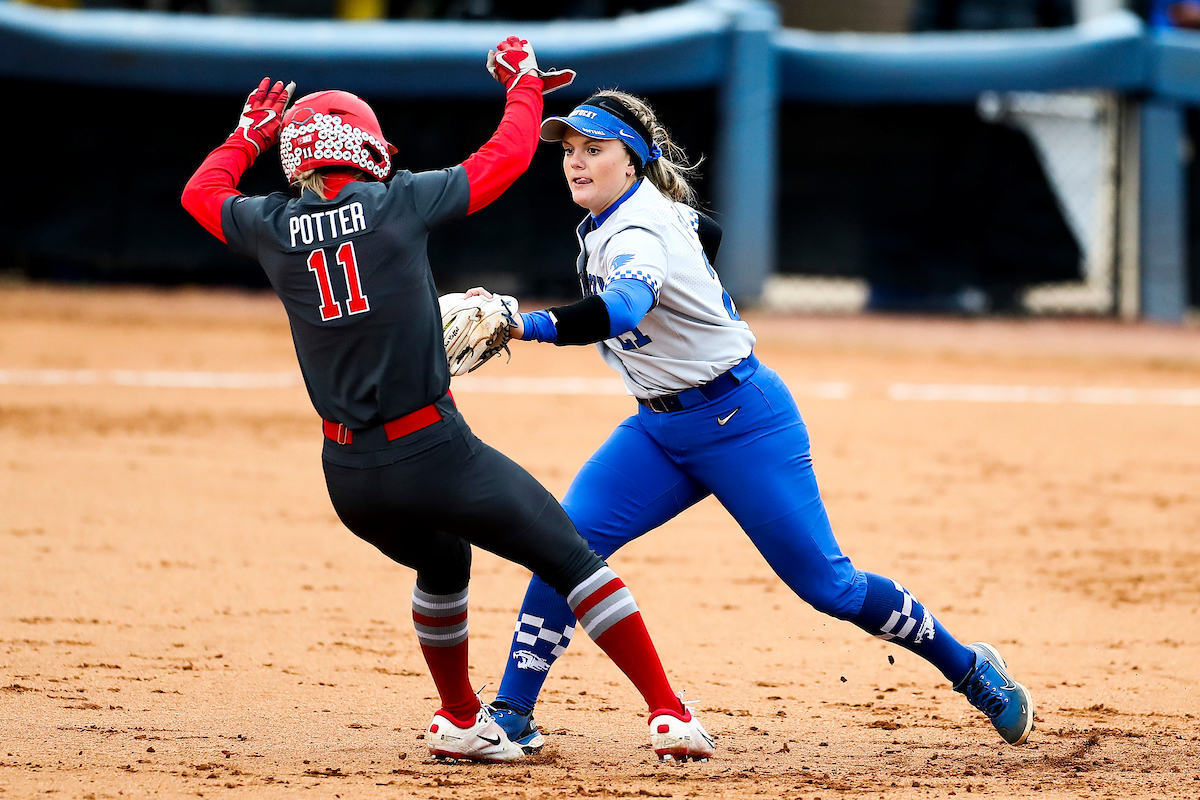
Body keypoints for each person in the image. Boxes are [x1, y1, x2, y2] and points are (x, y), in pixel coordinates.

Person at [179, 41, 713, 764]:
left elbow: (199, 193)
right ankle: (668, 712)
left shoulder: (269, 225)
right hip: (432, 451)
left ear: (297, 157)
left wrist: (246, 134)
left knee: (443, 564)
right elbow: (505, 157)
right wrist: (523, 87)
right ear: (368, 149)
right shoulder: (395, 202)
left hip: (349, 474)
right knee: (575, 563)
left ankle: (461, 718)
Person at [465, 90, 1035, 754]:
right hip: (658, 431)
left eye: (595, 150)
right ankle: (513, 712)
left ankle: (971, 669)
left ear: (633, 160)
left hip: (744, 425)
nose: (577, 163)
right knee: (563, 546)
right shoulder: (635, 214)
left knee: (831, 587)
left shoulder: (638, 229)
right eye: (569, 151)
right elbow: (708, 234)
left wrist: (525, 323)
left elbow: (622, 308)